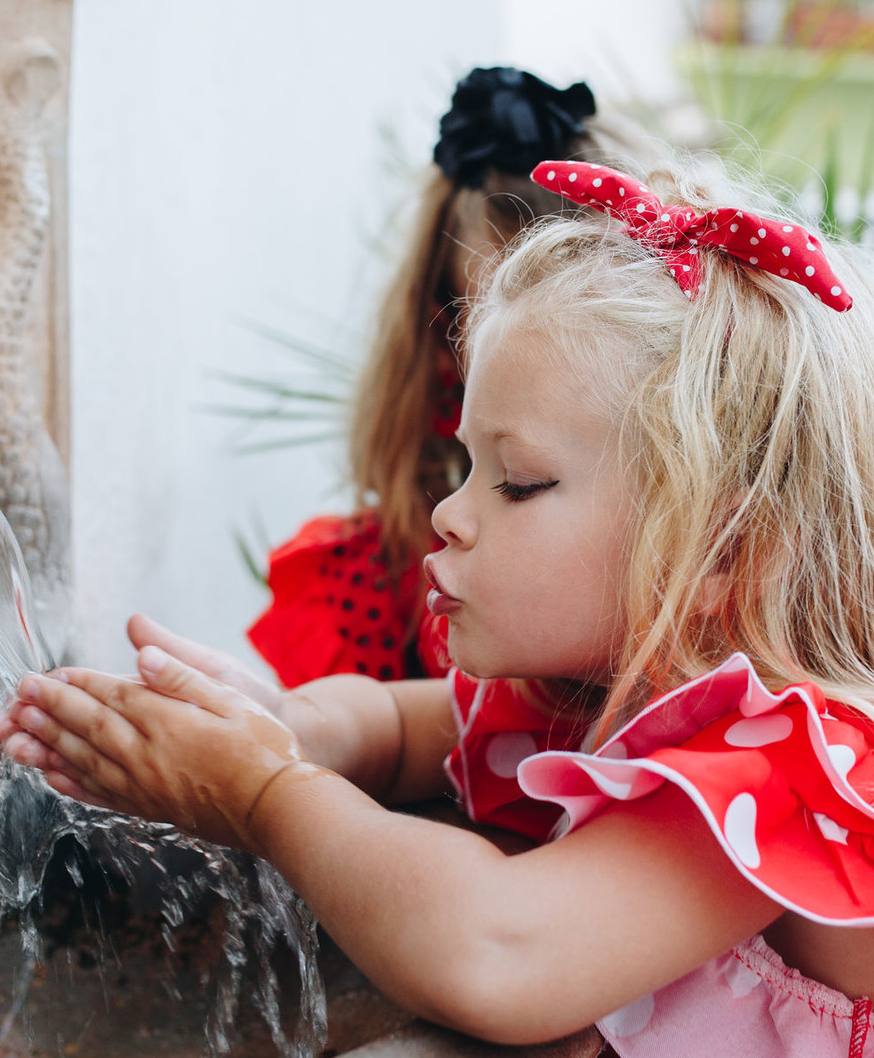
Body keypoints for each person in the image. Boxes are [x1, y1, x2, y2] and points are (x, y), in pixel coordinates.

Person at [0, 152, 874, 1058]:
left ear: (724, 553)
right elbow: (403, 727)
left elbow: (496, 952)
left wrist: (263, 793)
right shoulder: (612, 699)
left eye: (520, 480)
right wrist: (287, 723)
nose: (454, 513)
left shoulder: (794, 781)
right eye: (465, 467)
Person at [247, 66, 635, 689]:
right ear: (443, 331)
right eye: (489, 326)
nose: (454, 518)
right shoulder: (375, 591)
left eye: (521, 484)